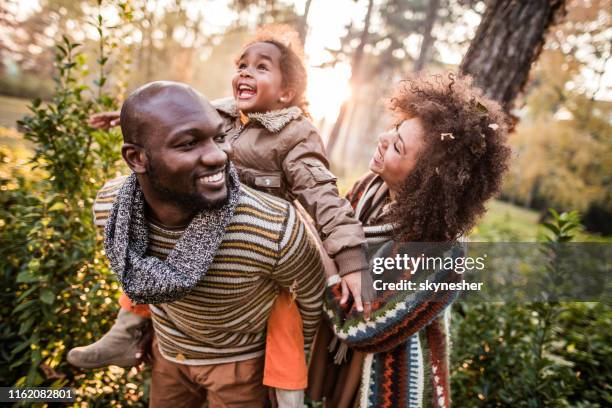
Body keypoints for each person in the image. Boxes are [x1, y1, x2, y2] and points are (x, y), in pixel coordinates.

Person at [70, 28, 369, 406]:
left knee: (286, 312)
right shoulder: (223, 112)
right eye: (242, 65)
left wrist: (351, 258)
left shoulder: (294, 134)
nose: (245, 72)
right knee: (142, 243)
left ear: (286, 93)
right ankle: (125, 330)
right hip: (201, 215)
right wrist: (126, 118)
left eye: (261, 68)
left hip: (258, 234)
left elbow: (323, 195)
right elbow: (168, 122)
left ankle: (287, 387)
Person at [87, 81, 325, 407]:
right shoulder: (111, 209)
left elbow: (309, 303)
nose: (218, 155)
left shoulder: (273, 228)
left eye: (218, 137)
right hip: (168, 355)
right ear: (137, 158)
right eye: (187, 144)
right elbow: (140, 274)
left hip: (240, 367)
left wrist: (285, 372)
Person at [307, 73, 511, 407]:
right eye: (395, 127)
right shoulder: (368, 188)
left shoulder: (441, 256)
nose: (383, 138)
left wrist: (329, 260)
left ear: (425, 183)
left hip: (382, 372)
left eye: (397, 146)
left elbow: (367, 328)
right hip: (334, 362)